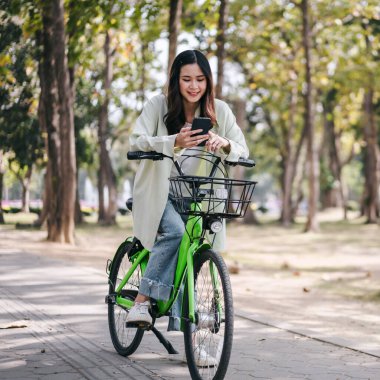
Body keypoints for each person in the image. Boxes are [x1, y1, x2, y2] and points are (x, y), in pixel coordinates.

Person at [126, 50, 249, 329]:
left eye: (200, 79)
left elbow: (241, 148)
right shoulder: (158, 106)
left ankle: (190, 335)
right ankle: (141, 302)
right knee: (176, 233)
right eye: (186, 79)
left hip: (199, 195)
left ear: (208, 81)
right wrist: (174, 141)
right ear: (175, 81)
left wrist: (225, 144)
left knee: (192, 255)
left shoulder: (220, 111)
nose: (194, 86)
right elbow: (136, 141)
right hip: (161, 191)